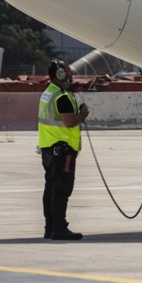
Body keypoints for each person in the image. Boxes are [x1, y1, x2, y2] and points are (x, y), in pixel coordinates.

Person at [38, 60, 89, 241]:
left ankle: (50, 227)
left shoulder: (48, 94)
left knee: (50, 188)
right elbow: (69, 121)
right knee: (61, 189)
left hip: (48, 148)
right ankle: (59, 228)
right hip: (62, 149)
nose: (70, 73)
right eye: (67, 70)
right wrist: (82, 114)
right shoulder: (62, 97)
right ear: (60, 75)